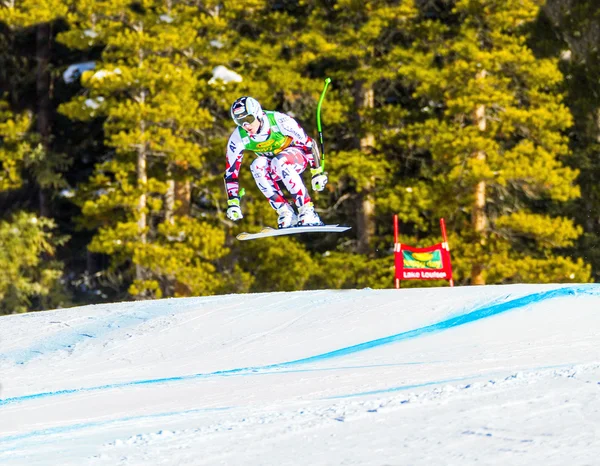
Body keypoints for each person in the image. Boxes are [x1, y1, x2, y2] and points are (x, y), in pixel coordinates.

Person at [224, 96, 329, 228]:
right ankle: (285, 211)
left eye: (248, 119)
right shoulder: (239, 137)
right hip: (273, 165)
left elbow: (309, 143)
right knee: (256, 166)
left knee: (280, 161)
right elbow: (231, 173)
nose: (246, 125)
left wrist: (317, 171)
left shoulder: (279, 121)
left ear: (258, 114)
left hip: (297, 156)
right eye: (240, 121)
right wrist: (233, 202)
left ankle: (306, 209)